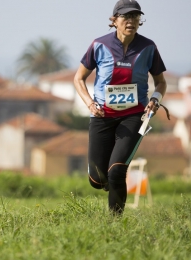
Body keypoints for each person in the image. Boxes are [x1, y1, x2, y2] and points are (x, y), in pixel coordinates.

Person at [73, 0, 167, 214]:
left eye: (135, 17)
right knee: (97, 179)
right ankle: (103, 179)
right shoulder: (99, 45)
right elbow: (79, 78)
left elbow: (161, 82)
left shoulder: (148, 47)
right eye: (126, 17)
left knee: (117, 171)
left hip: (134, 116)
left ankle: (115, 224)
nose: (131, 21)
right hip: (102, 115)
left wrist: (155, 100)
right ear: (114, 20)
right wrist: (90, 103)